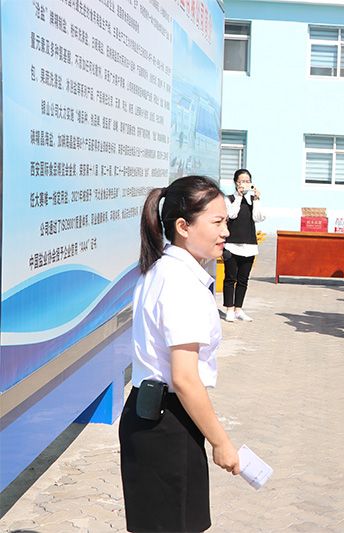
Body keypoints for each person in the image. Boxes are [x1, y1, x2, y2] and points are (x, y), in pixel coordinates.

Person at [119, 177, 240, 532]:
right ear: (183, 227)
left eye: (226, 221)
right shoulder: (180, 283)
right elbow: (185, 379)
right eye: (217, 222)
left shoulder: (162, 269)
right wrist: (221, 442)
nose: (225, 232)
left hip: (150, 417)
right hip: (167, 426)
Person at [222, 169, 266, 322]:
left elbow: (259, 218)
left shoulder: (252, 200)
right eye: (242, 181)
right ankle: (229, 309)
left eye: (248, 181)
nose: (245, 184)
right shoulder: (229, 199)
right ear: (236, 183)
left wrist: (257, 200)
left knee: (243, 279)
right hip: (232, 245)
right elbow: (231, 214)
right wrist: (239, 197)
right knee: (230, 278)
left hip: (249, 246)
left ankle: (238, 309)